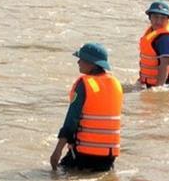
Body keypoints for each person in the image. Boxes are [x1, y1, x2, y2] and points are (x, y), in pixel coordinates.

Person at [50, 43, 123, 172]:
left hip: (84, 154)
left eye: (81, 59)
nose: (78, 62)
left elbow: (71, 120)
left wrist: (57, 151)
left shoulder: (84, 84)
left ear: (92, 64)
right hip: (108, 157)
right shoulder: (115, 84)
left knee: (53, 176)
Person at [138, 0, 169, 88]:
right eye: (156, 17)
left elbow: (165, 65)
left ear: (167, 19)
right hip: (151, 84)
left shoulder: (165, 39)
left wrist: (157, 90)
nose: (159, 21)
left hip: (167, 85)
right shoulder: (152, 33)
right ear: (149, 17)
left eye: (163, 18)